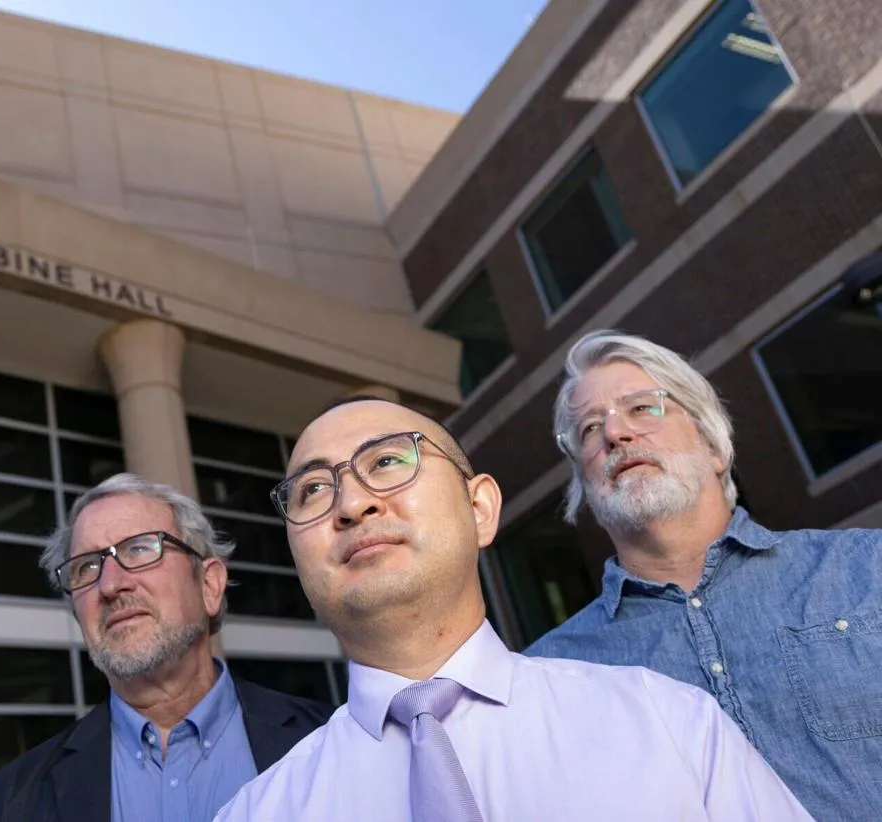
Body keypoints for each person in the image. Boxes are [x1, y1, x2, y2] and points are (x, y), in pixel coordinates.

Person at [215, 397, 812, 821]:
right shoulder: (256, 813)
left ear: (480, 509)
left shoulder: (670, 723)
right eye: (313, 490)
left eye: (388, 462)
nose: (351, 504)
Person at [526, 330, 882, 822]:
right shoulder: (546, 677)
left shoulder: (868, 567)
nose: (614, 433)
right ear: (585, 486)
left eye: (641, 408)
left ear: (714, 447)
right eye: (589, 428)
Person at [0, 473, 332, 822]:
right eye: (86, 567)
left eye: (139, 548)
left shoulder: (331, 741)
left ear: (208, 585)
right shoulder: (9, 803)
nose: (110, 585)